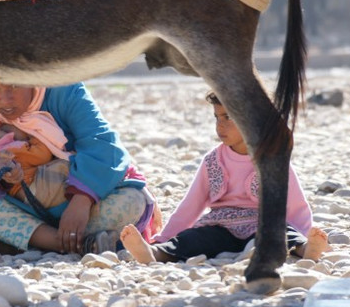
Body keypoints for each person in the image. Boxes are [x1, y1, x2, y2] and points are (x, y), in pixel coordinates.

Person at [0, 82, 159, 256]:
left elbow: (104, 145)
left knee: (133, 200)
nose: (5, 99)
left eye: (14, 86)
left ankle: (9, 243)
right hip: (17, 207)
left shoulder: (64, 88)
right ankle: (65, 242)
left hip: (73, 206)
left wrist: (82, 200)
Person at [120, 92, 329, 264]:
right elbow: (190, 206)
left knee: (280, 232)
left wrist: (304, 233)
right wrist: (163, 238)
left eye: (228, 117)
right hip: (221, 226)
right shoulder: (213, 161)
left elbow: (295, 205)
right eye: (217, 117)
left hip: (261, 223)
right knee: (193, 239)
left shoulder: (272, 160)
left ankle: (306, 250)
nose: (220, 125)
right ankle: (155, 253)